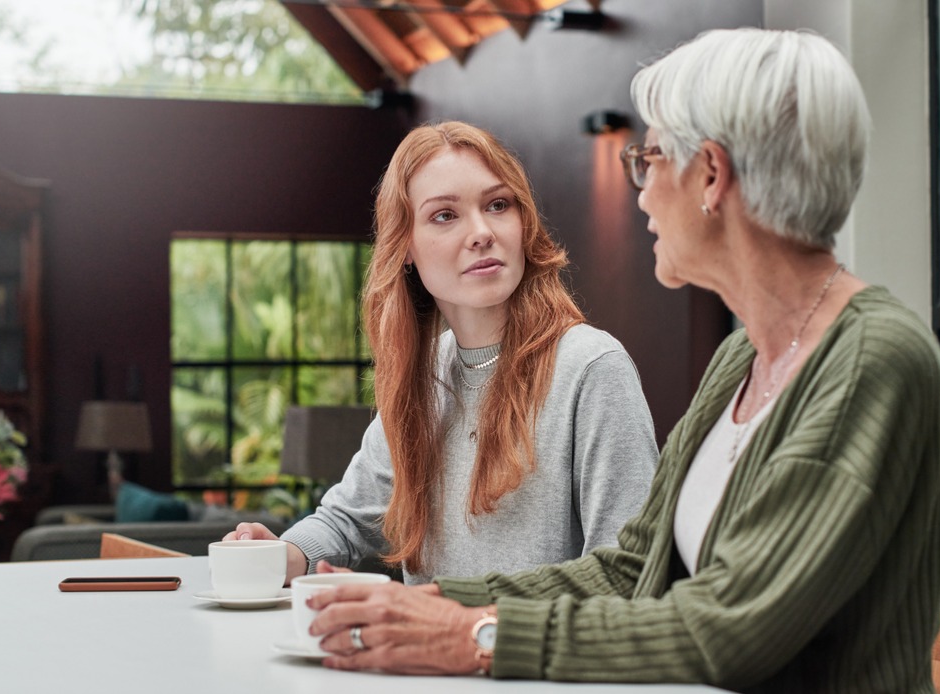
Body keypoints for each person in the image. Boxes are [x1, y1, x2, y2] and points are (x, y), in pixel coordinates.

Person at [304, 28, 940, 694]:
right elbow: (632, 568)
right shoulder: (742, 358)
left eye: (648, 160)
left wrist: (470, 636)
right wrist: (439, 601)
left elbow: (728, 627)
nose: (640, 191)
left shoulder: (871, 362)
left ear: (710, 175)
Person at [226, 121, 658, 587]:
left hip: (525, 657)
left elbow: (626, 576)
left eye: (498, 205)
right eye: (444, 215)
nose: (481, 232)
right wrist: (281, 552)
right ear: (405, 246)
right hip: (419, 660)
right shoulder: (426, 372)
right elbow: (346, 519)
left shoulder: (591, 366)